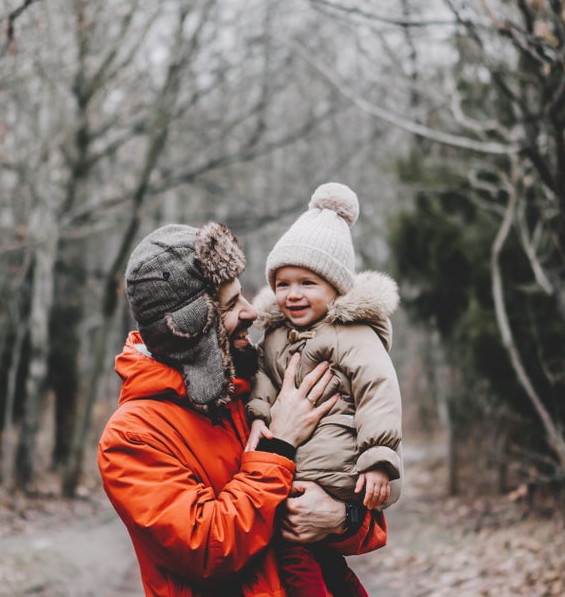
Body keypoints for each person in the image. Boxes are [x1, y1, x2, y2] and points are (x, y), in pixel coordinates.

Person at [97, 221, 387, 597]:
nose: (251, 312)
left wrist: (340, 518)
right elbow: (209, 550)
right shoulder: (132, 437)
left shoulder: (254, 389)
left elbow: (366, 513)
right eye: (232, 304)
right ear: (194, 328)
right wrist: (279, 444)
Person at [245, 182, 404, 597]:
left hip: (338, 471)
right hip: (298, 469)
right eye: (282, 283)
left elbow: (378, 391)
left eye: (307, 283)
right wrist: (260, 416)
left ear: (336, 288)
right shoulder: (276, 337)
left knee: (294, 552)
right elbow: (262, 375)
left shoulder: (353, 335)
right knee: (322, 562)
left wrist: (378, 459)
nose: (292, 294)